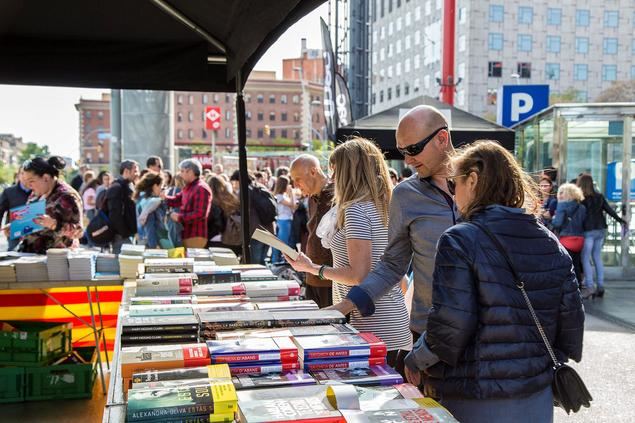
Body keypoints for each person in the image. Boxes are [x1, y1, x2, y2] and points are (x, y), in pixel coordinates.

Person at [403, 140, 585, 423]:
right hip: (535, 393)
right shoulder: (548, 239)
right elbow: (572, 320)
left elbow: (451, 324)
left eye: (454, 184)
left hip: (476, 394)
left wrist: (416, 358)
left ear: (472, 180)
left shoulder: (459, 239)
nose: (453, 194)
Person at [330, 105, 457, 349]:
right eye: (402, 151)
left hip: (485, 332)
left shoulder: (482, 182)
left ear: (442, 139)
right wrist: (347, 304)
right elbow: (392, 265)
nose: (408, 159)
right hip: (429, 332)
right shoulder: (406, 194)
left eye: (414, 149)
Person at [286, 138, 412, 367]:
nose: (332, 179)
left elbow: (358, 275)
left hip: (371, 325)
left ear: (349, 172)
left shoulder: (355, 210)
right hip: (391, 323)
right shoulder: (386, 205)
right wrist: (309, 267)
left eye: (335, 171)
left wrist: (316, 269)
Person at [289, 154, 335, 308]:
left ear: (314, 171)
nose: (295, 185)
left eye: (298, 179)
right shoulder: (311, 198)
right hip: (312, 277)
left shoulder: (336, 194)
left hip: (331, 281)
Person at [18, 157, 84, 254]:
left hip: (56, 260)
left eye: (31, 181)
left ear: (46, 178)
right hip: (30, 257)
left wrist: (54, 224)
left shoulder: (66, 196)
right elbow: (31, 221)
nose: (28, 186)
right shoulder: (34, 195)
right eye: (26, 182)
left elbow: (78, 232)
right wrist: (16, 226)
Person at [577, 173, 627, 298]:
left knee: (585, 258)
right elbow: (609, 210)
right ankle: (600, 286)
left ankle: (589, 287)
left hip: (588, 231)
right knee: (597, 257)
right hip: (600, 230)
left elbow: (579, 216)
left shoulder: (581, 198)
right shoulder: (599, 196)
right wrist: (620, 220)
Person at [230, 170, 277, 265]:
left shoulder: (244, 192)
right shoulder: (261, 187)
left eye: (235, 182)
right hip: (269, 230)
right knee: (263, 263)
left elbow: (239, 211)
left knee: (254, 265)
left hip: (255, 232)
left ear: (239, 180)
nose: (234, 185)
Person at [163, 159, 212, 248]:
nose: (180, 174)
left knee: (191, 261)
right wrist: (163, 198)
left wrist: (179, 217)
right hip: (186, 234)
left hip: (195, 236)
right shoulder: (189, 187)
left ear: (190, 172)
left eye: (182, 171)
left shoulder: (201, 188)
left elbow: (200, 214)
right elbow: (176, 200)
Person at [552, 183, 586, 286]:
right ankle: (578, 285)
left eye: (562, 192)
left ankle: (569, 287)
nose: (560, 194)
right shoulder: (582, 207)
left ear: (567, 193)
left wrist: (552, 219)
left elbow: (557, 223)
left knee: (566, 265)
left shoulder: (562, 205)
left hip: (567, 239)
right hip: (580, 240)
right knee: (576, 264)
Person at [106, 160, 140, 254]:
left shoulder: (129, 185)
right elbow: (115, 214)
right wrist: (124, 233)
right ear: (126, 171)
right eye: (135, 171)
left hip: (129, 234)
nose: (138, 174)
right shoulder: (117, 187)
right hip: (121, 236)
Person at [207, 175, 241, 255]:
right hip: (234, 239)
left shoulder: (212, 202)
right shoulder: (232, 199)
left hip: (216, 241)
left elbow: (217, 224)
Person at [0, 167, 32, 250]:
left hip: (33, 231)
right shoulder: (8, 192)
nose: (25, 177)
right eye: (22, 173)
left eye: (28, 174)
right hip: (14, 231)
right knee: (13, 254)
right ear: (18, 175)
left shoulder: (38, 191)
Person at [134, 172, 168, 248]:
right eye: (160, 186)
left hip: (142, 240)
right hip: (152, 242)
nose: (161, 190)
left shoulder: (141, 198)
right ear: (155, 186)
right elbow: (150, 226)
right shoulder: (152, 203)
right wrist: (154, 246)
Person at [271, 175, 296, 263]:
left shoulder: (282, 196)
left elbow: (293, 207)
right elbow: (292, 205)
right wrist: (292, 193)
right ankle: (276, 261)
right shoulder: (280, 196)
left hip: (286, 220)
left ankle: (278, 260)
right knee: (282, 243)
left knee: (283, 242)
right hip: (284, 221)